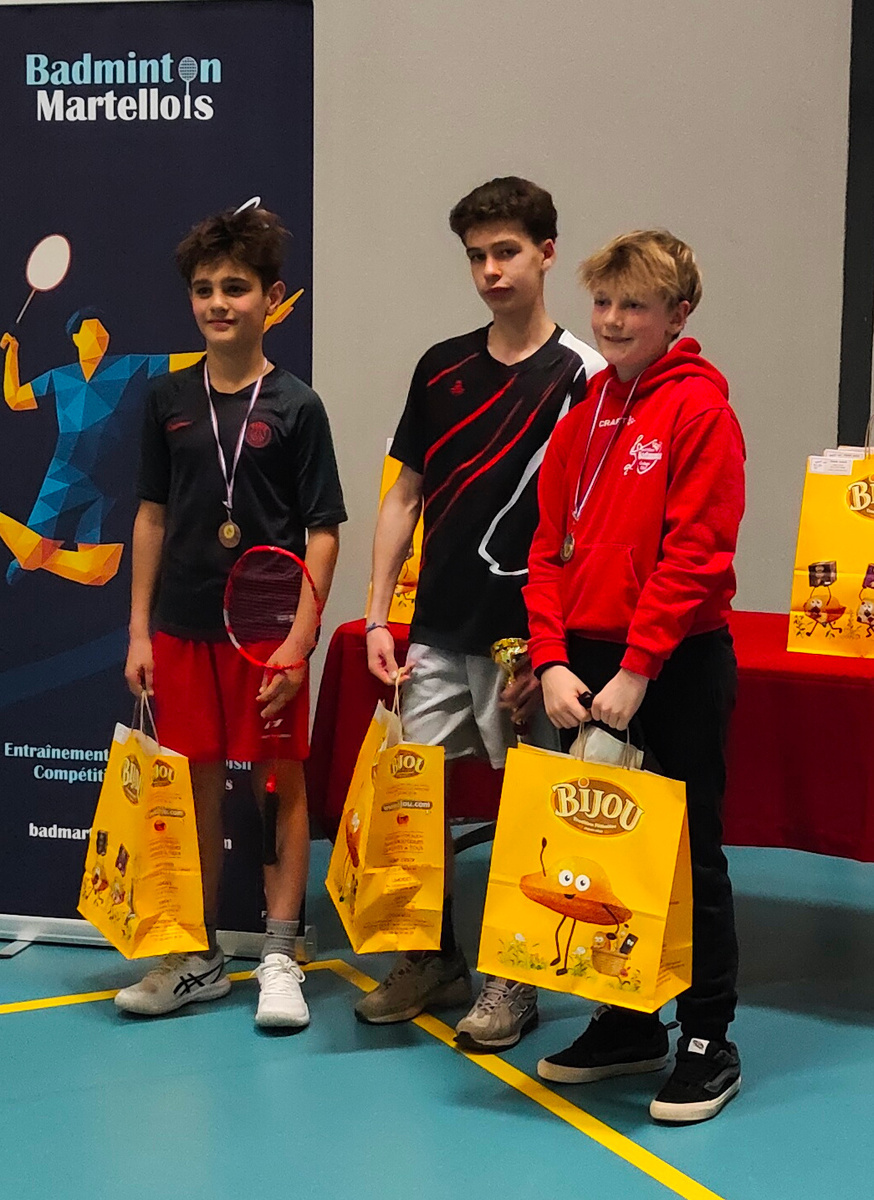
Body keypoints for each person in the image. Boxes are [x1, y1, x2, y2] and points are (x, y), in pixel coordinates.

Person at [359, 176, 606, 1049]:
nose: (492, 271)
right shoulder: (440, 367)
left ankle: (514, 977)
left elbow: (591, 526)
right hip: (435, 628)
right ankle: (431, 958)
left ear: (547, 252)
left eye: (507, 252)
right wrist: (379, 615)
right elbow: (404, 497)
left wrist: (552, 652)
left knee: (531, 809)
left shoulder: (586, 376)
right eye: (477, 257)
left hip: (529, 642)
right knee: (415, 798)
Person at [525, 229, 745, 1122]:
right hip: (584, 663)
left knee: (689, 855)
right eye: (604, 303)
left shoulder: (700, 411)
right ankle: (627, 1021)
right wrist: (549, 658)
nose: (613, 321)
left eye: (635, 306)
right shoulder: (581, 416)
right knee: (602, 853)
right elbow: (545, 549)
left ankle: (708, 1036)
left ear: (677, 315)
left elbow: (696, 554)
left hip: (673, 663)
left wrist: (639, 667)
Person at [116, 207, 346, 1028]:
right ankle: (198, 957)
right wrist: (139, 630)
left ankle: (280, 955)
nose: (219, 303)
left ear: (272, 298)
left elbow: (323, 532)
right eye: (205, 289)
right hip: (182, 629)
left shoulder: (297, 405)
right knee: (193, 788)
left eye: (237, 288)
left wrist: (299, 642)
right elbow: (150, 515)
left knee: (278, 785)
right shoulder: (165, 399)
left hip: (266, 636)